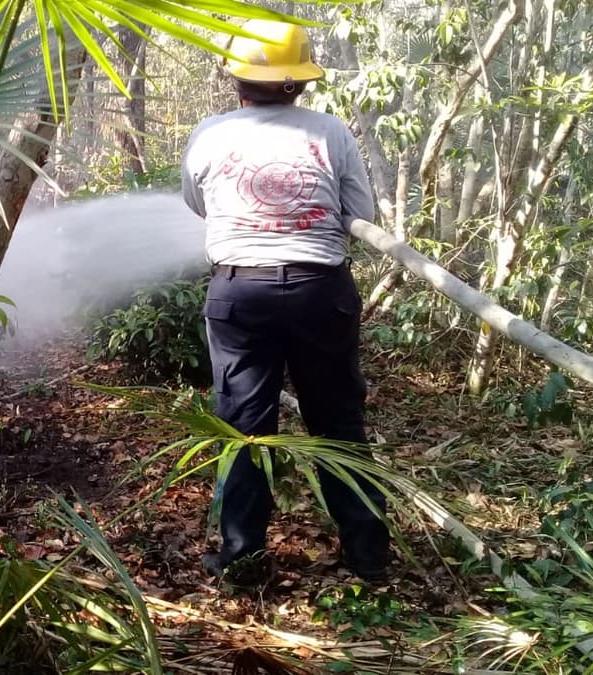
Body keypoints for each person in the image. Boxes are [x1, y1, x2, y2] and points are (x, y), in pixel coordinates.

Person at [180, 19, 390, 583]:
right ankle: (368, 555)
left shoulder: (210, 132)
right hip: (322, 291)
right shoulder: (330, 131)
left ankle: (242, 558)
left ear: (235, 80)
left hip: (239, 291)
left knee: (245, 427)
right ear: (299, 82)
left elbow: (200, 202)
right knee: (337, 423)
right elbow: (359, 212)